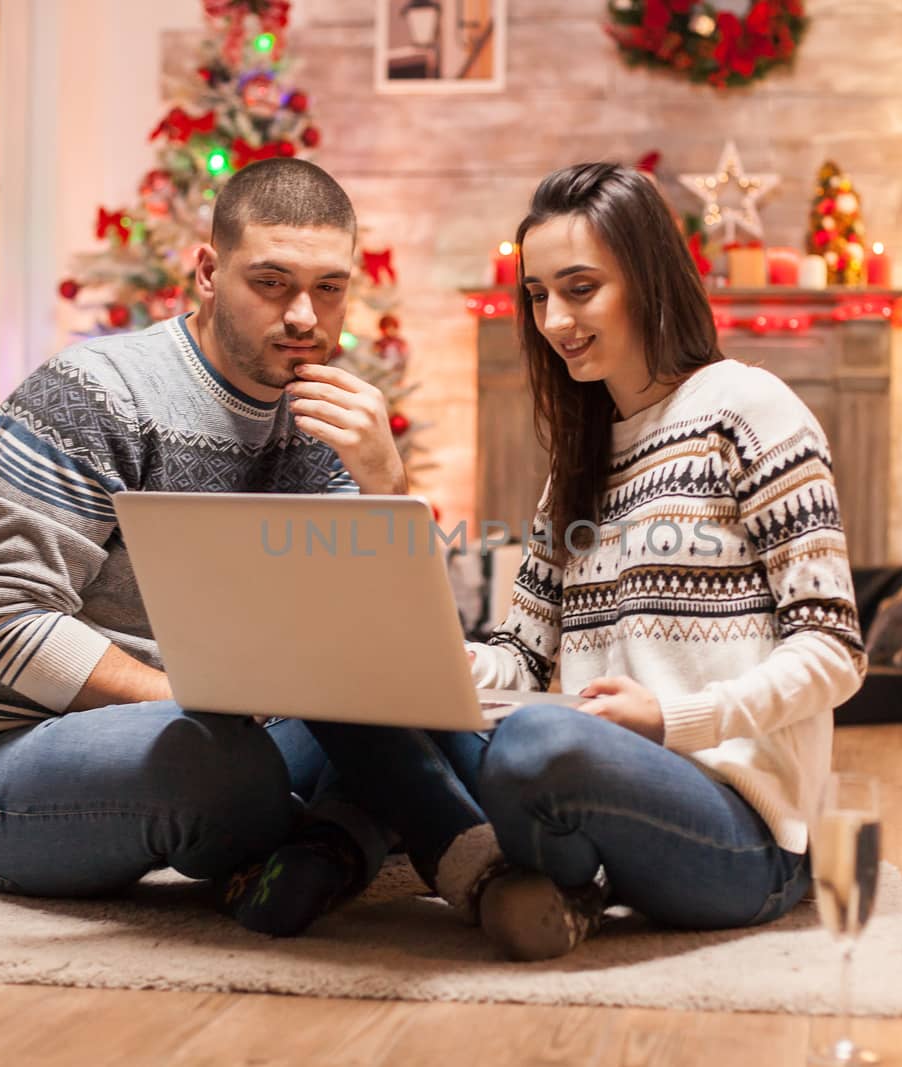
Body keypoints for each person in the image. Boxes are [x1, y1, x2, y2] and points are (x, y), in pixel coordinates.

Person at [272, 161, 867, 959]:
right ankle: (495, 873)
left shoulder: (748, 411)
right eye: (539, 295)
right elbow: (520, 657)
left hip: (742, 836)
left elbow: (835, 650)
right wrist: (411, 665)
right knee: (347, 683)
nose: (555, 319)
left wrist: (673, 719)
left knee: (540, 745)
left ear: (649, 279)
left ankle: (422, 848)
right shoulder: (580, 462)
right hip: (596, 785)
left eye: (581, 288)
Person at [0, 158, 397, 930]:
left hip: (219, 723)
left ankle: (310, 853)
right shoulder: (97, 390)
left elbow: (374, 630)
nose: (305, 315)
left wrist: (385, 482)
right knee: (221, 772)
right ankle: (341, 838)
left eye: (328, 287)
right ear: (207, 269)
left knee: (418, 712)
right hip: (3, 754)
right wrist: (199, 701)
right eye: (272, 281)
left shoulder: (328, 415)